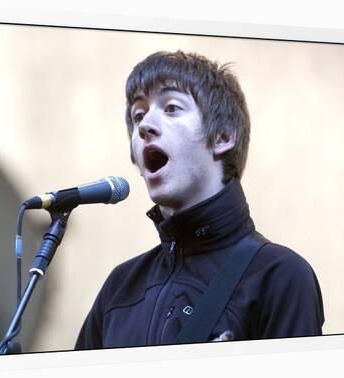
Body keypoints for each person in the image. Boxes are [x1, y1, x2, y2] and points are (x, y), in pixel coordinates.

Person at [75, 51, 324, 349]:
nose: (144, 126)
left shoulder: (279, 276)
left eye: (171, 108)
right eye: (138, 115)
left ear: (222, 136)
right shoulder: (120, 288)